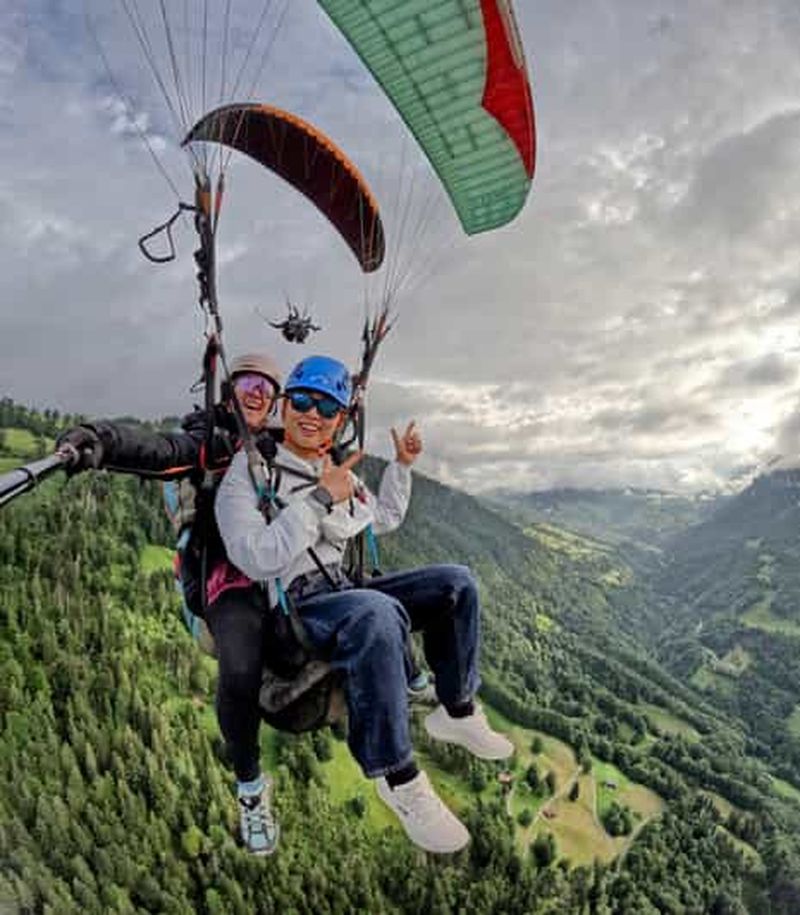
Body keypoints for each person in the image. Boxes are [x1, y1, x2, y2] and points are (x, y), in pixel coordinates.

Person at [214, 354, 513, 855]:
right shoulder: (249, 473)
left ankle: (458, 709)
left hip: (345, 588)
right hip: (297, 608)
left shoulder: (336, 471)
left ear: (340, 420)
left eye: (327, 407)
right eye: (302, 401)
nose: (312, 414)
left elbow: (384, 518)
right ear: (284, 406)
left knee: (456, 583)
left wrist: (401, 467)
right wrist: (317, 502)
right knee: (376, 611)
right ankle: (399, 778)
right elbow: (256, 556)